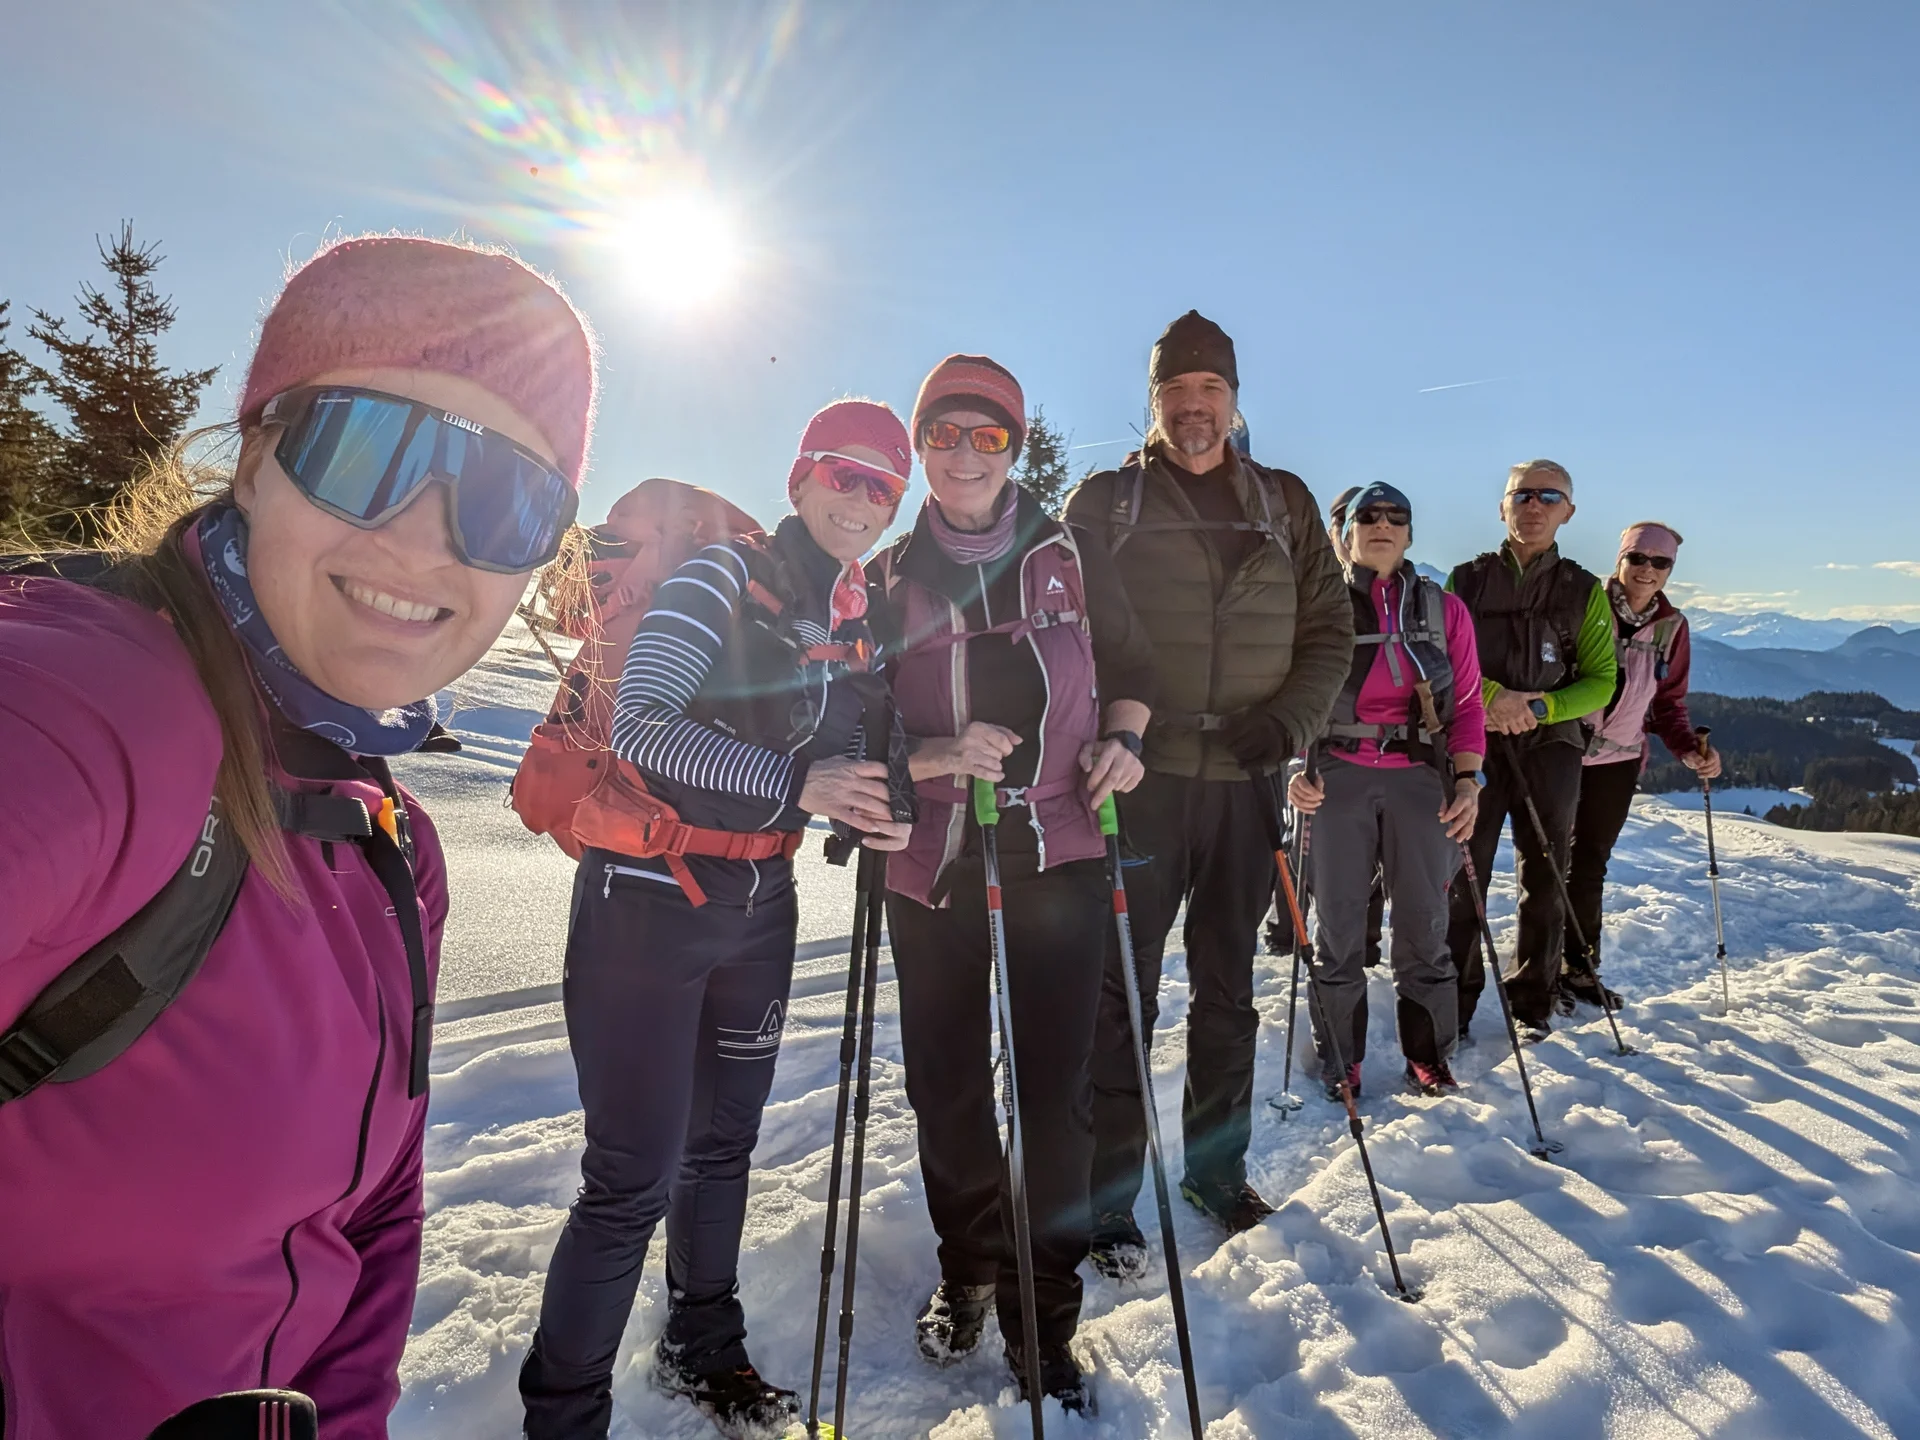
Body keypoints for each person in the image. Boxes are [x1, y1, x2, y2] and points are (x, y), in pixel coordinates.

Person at [0, 235, 596, 1439]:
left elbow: (369, 1227)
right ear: (259, 450)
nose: (429, 540)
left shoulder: (389, 842)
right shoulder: (92, 710)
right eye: (368, 447)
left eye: (507, 498)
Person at [518, 401, 915, 1439]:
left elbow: (847, 758)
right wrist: (802, 779)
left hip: (760, 904)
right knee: (629, 1177)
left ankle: (705, 1346)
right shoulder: (717, 579)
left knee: (723, 1148)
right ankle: (563, 1418)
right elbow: (645, 727)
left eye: (883, 484)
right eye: (844, 472)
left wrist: (880, 796)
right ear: (800, 479)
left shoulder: (845, 619)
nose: (861, 497)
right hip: (646, 904)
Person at [870, 355, 1155, 1412]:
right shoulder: (889, 571)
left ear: (1014, 445)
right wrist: (933, 753)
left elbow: (1136, 670)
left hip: (1061, 843)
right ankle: (969, 1267)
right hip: (931, 853)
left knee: (1055, 1096)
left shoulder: (1073, 555)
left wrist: (1125, 743)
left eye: (984, 434)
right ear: (919, 445)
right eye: (941, 432)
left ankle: (1047, 1314)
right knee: (944, 1086)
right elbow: (856, 720)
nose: (961, 453)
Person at [1066, 311, 1352, 1266]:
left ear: (1235, 399)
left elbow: (1330, 633)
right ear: (1153, 401)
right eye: (1175, 393)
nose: (1194, 409)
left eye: (1210, 391)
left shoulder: (1285, 502)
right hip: (1134, 781)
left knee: (1229, 988)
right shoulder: (1106, 503)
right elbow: (1072, 638)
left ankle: (1214, 1173)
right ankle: (1110, 1195)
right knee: (1122, 993)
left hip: (1246, 780)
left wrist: (1290, 725)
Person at [1283, 483, 1486, 1096]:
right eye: (1367, 516)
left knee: (1424, 924)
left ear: (1410, 534)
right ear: (1343, 531)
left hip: (1421, 777)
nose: (1383, 525)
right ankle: (1341, 1059)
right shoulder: (1312, 605)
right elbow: (1285, 698)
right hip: (1334, 775)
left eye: (1397, 516)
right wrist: (1295, 768)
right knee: (1338, 927)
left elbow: (1469, 705)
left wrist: (1469, 781)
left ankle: (1428, 1054)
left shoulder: (1443, 609)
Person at [1444, 459, 1618, 1040]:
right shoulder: (1464, 581)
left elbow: (1600, 679)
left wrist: (1537, 707)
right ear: (1503, 507)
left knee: (1546, 873)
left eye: (1549, 497)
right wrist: (1494, 697)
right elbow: (1442, 657)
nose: (1534, 506)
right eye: (1522, 495)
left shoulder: (1583, 590)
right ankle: (1455, 1000)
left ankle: (1533, 998)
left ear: (1568, 511)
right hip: (1476, 743)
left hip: (1553, 745)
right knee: (1465, 869)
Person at [1563, 521, 1721, 1009]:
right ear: (1621, 559)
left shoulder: (1672, 626)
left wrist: (1689, 747)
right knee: (1545, 861)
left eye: (1661, 562)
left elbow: (1668, 704)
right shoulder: (1583, 604)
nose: (1647, 570)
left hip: (1620, 758)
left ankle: (1580, 969)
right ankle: (1535, 970)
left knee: (1589, 866)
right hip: (1561, 748)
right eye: (1638, 558)